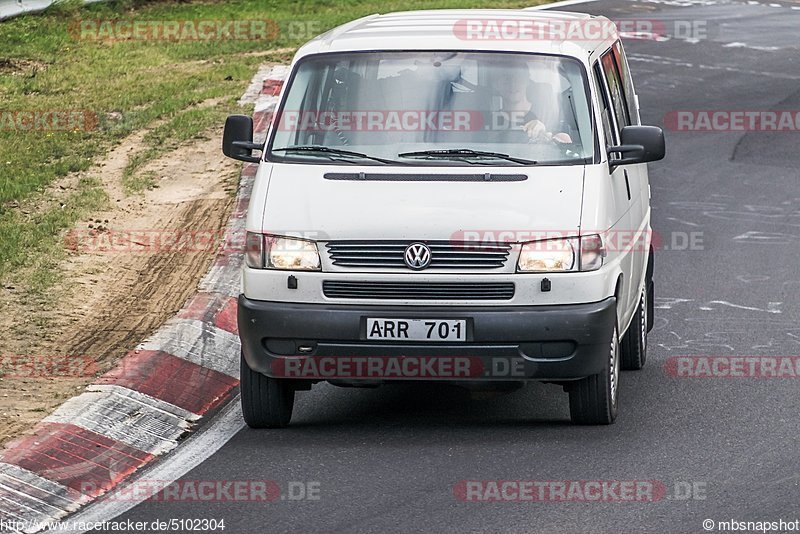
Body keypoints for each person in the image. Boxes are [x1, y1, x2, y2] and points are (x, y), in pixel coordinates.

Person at [491, 62, 572, 144]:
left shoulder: (549, 114)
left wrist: (545, 134)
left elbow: (566, 142)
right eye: (506, 78)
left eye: (519, 77)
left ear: (527, 81)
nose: (513, 84)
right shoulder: (490, 121)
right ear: (496, 85)